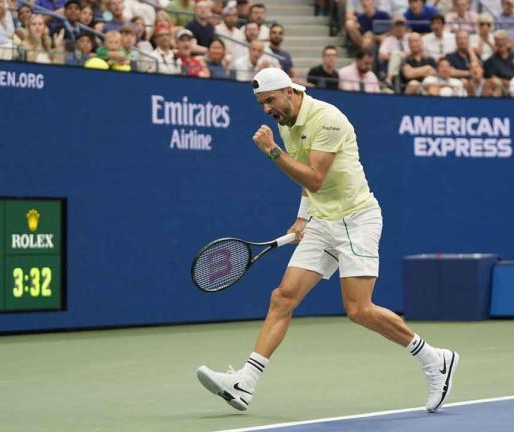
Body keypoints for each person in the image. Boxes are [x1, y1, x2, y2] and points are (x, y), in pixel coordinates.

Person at [196, 67, 460, 413]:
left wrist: (272, 151)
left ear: (290, 92)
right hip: (323, 221)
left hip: (356, 219)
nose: (266, 109)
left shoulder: (327, 118)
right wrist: (303, 218)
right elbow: (308, 182)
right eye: (261, 104)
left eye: (270, 101)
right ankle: (245, 382)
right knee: (283, 297)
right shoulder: (285, 122)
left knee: (359, 310)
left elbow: (316, 178)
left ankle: (434, 358)